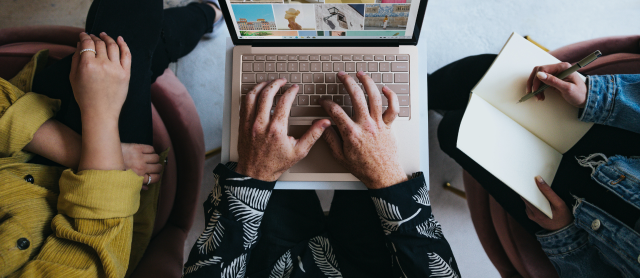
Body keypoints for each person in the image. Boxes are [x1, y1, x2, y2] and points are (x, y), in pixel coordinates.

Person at [0, 0, 223, 276]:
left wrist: (76, 147)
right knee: (129, 51)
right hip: (107, 207)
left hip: (33, 135)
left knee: (123, 49)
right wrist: (100, 124)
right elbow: (93, 249)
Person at [184, 72, 460, 277]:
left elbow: (208, 267)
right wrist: (385, 175)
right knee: (375, 130)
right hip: (380, 265)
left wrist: (255, 175)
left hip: (267, 266)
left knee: (262, 133)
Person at [430, 54, 640, 277]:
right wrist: (596, 95)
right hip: (616, 131)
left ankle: (427, 100)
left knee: (454, 132)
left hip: (570, 216)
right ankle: (415, 92)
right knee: (490, 77)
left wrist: (563, 234)